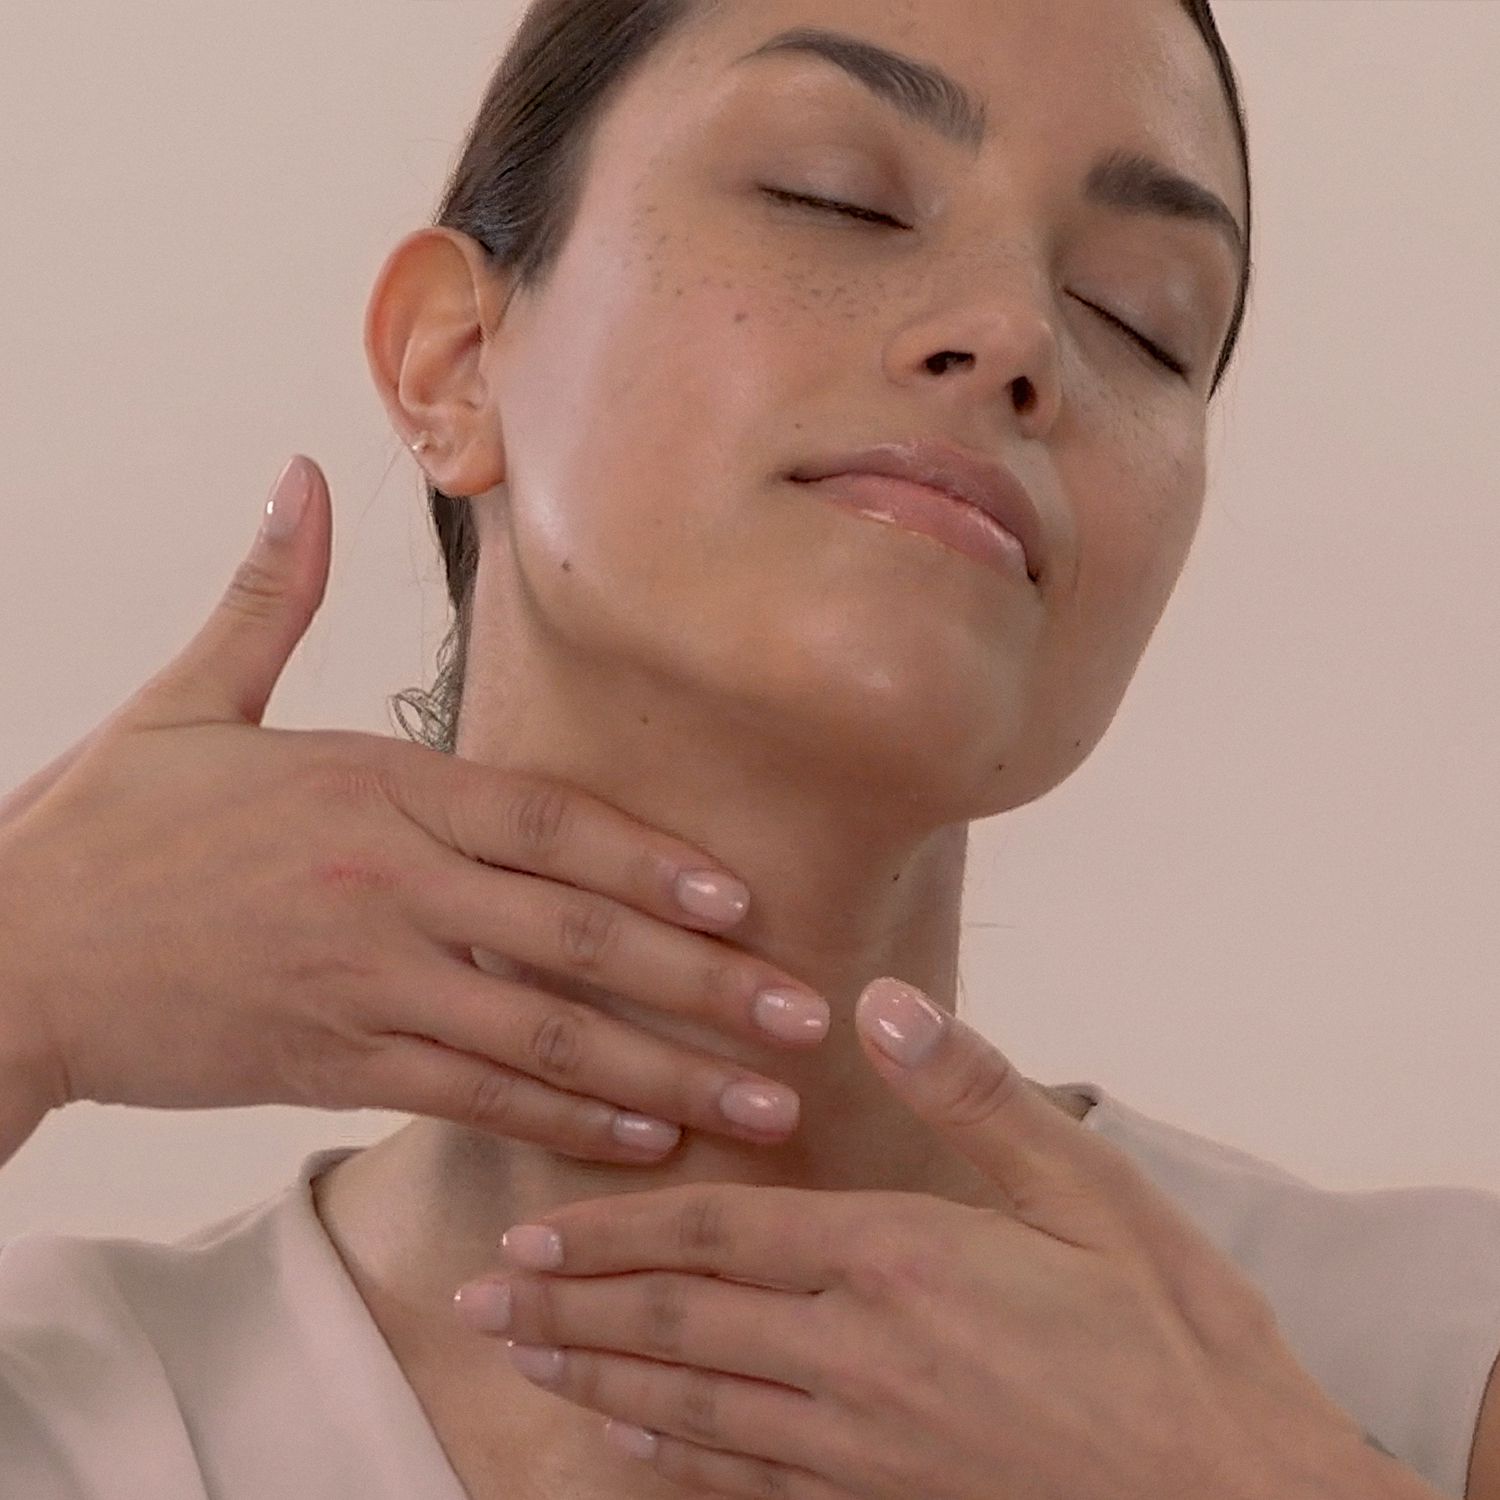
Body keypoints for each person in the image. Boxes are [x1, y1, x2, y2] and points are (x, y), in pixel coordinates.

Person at [3, 1, 1499, 1497]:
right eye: (832, 196)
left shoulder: (1422, 1357)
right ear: (456, 359)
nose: (1020, 336)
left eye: (1142, 315)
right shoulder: (81, 1411)